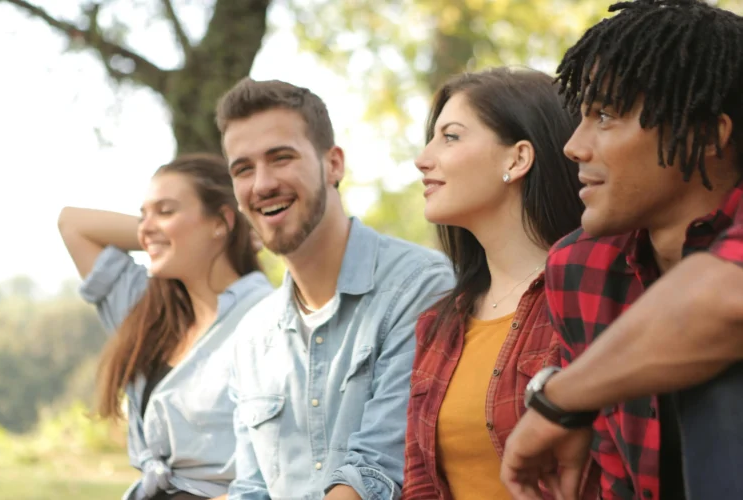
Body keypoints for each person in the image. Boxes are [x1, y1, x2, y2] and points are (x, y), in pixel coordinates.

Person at [499, 1, 743, 499]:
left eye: (605, 116)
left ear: (706, 135)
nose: (573, 146)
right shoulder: (579, 267)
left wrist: (559, 400)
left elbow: (727, 304)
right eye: (581, 116)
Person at [216, 78, 455, 500]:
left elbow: (376, 471)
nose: (262, 184)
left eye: (281, 157)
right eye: (243, 169)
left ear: (333, 164)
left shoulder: (420, 286)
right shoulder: (252, 337)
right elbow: (251, 489)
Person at [403, 67, 598, 500]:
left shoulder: (590, 297)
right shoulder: (438, 324)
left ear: (517, 158)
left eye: (450, 137)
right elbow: (420, 484)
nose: (423, 158)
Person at [58, 154, 273, 500]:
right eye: (144, 214)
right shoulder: (149, 312)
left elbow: (285, 469)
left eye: (166, 210)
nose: (146, 226)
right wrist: (161, 234)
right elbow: (73, 224)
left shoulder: (269, 318)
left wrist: (216, 234)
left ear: (221, 221)